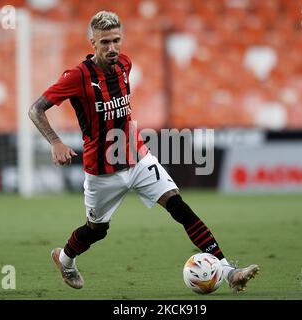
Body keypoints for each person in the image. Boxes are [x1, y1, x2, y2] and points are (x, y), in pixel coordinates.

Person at [28, 10, 259, 293]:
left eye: (116, 40)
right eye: (104, 43)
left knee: (178, 206)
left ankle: (228, 271)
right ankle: (65, 259)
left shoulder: (125, 64)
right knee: (96, 230)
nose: (112, 48)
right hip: (102, 172)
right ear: (92, 43)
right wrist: (55, 141)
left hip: (137, 158)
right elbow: (35, 109)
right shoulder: (77, 76)